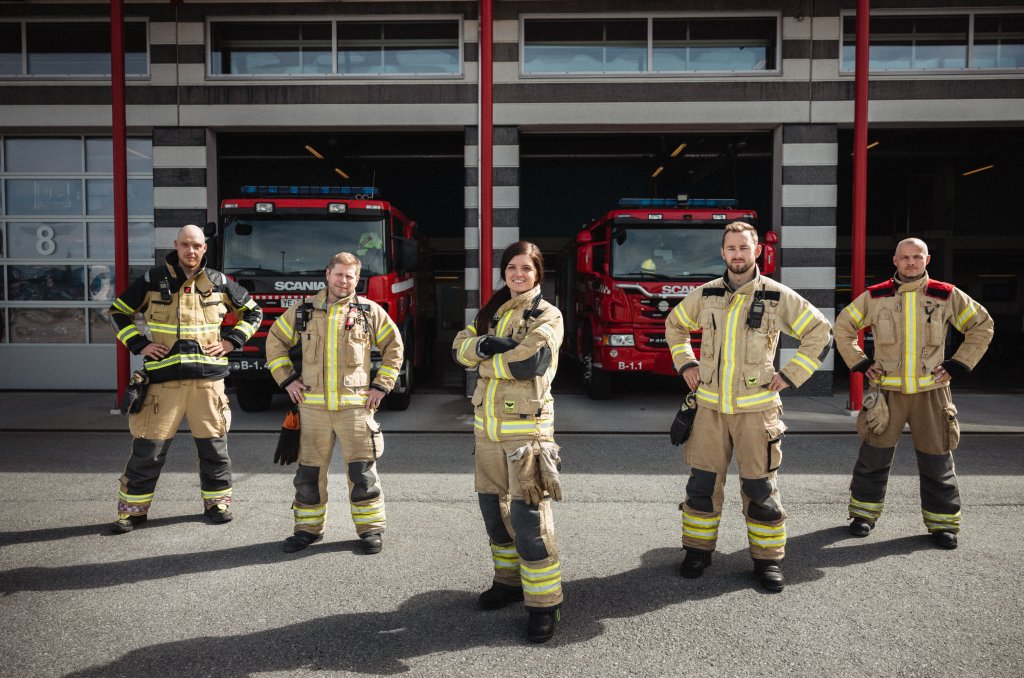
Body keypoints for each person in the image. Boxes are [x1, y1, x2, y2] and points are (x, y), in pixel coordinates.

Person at [665, 221, 832, 592]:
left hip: (758, 412)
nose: (738, 254)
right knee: (702, 486)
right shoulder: (706, 294)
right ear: (722, 253)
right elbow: (674, 325)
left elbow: (820, 333)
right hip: (709, 410)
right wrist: (687, 364)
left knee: (760, 489)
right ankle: (697, 551)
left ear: (757, 251)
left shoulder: (777, 296)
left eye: (744, 247)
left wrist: (790, 375)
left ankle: (767, 560)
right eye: (731, 248)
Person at [835, 237, 993, 549]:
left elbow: (981, 326)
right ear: (894, 260)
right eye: (904, 257)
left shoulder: (945, 295)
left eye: (916, 257)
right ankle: (863, 516)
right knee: (872, 458)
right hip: (887, 394)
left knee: (938, 461)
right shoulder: (876, 296)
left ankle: (942, 524)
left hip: (932, 393)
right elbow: (843, 327)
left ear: (927, 259)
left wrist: (958, 364)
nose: (910, 262)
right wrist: (861, 362)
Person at [108, 224, 263, 533]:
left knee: (214, 449)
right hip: (163, 385)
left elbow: (254, 312)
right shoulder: (153, 280)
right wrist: (140, 345)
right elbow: (117, 312)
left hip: (207, 385)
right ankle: (133, 512)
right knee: (147, 450)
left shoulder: (219, 282)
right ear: (175, 245)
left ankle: (217, 504)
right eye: (185, 245)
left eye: (197, 246)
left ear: (205, 248)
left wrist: (231, 342)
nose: (191, 251)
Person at [451, 241, 565, 643]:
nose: (518, 274)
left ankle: (544, 604)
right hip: (487, 431)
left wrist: (481, 355)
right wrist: (484, 346)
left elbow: (530, 362)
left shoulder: (548, 315)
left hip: (526, 431)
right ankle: (508, 582)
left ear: (538, 273)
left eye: (526, 268)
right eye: (512, 267)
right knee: (493, 514)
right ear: (504, 272)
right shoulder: (492, 313)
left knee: (528, 522)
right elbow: (458, 348)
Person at [265, 251, 403, 555]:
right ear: (327, 275)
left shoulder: (369, 311)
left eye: (350, 276)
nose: (343, 280)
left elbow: (394, 346)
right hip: (312, 409)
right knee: (309, 474)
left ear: (357, 279)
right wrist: (288, 380)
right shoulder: (303, 310)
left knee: (362, 473)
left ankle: (370, 530)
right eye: (338, 274)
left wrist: (381, 385)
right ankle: (307, 529)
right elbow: (275, 341)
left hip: (356, 409)